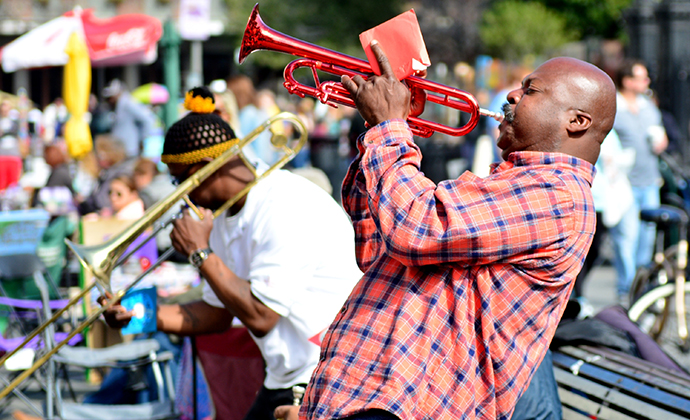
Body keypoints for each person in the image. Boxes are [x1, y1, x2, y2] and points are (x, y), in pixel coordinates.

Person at [276, 43, 617, 420]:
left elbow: (416, 228)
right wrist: (379, 129)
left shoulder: (557, 195)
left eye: (530, 90)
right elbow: (377, 245)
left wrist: (391, 128)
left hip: (404, 406)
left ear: (577, 121)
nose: (511, 94)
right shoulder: (507, 182)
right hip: (364, 395)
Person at [101, 87, 363, 420]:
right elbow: (217, 313)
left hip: (333, 376)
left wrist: (200, 253)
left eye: (182, 182)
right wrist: (139, 313)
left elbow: (260, 316)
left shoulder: (283, 204)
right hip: (288, 377)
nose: (182, 196)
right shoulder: (224, 216)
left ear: (209, 167)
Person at [613, 59, 667, 302]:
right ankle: (626, 291)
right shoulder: (615, 106)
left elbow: (660, 133)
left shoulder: (648, 106)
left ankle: (641, 292)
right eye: (641, 78)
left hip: (649, 181)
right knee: (626, 240)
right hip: (624, 184)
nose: (646, 82)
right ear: (627, 81)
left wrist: (661, 142)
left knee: (646, 240)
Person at [102, 79, 158, 158]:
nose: (109, 100)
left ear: (118, 94)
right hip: (120, 152)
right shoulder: (117, 106)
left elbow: (148, 120)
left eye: (111, 97)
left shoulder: (128, 104)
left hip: (130, 152)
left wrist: (141, 141)